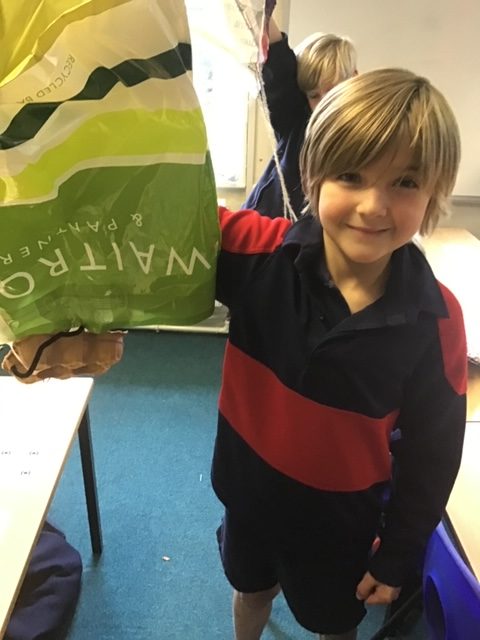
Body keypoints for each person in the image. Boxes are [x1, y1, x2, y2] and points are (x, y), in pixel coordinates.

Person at [212, 68, 467, 640]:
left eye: (405, 182)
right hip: (248, 499)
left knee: (333, 624)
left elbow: (432, 455)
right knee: (250, 591)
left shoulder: (437, 322)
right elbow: (166, 222)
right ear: (314, 175)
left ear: (433, 193)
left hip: (338, 528)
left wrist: (397, 554)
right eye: (351, 176)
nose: (374, 206)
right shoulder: (258, 254)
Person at [242, 14, 357, 219]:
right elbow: (278, 62)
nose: (324, 104)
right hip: (261, 227)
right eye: (314, 96)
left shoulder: (366, 134)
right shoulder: (296, 123)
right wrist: (259, 10)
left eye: (332, 91)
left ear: (354, 79)